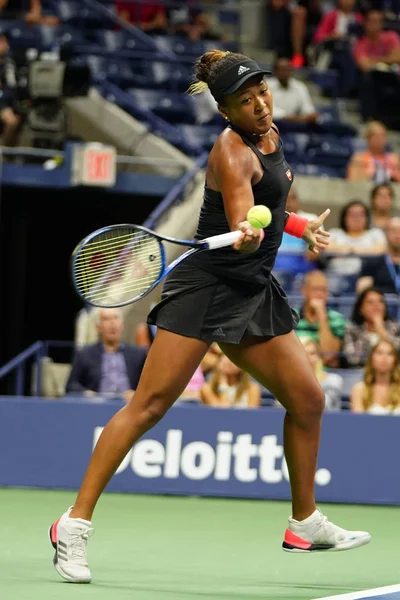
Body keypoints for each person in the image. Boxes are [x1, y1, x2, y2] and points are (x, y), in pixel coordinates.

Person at [49, 49, 370, 584]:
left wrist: (296, 224)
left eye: (262, 93)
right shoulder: (230, 151)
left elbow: (269, 204)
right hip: (208, 287)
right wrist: (249, 235)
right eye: (246, 103)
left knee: (308, 399)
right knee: (148, 406)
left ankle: (303, 522)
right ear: (226, 112)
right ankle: (73, 524)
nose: (261, 106)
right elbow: (247, 214)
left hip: (251, 290)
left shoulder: (270, 136)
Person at [66, 307, 147, 402]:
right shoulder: (84, 354)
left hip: (129, 407)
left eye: (115, 318)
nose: (112, 323)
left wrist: (137, 394)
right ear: (98, 327)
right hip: (97, 407)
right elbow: (71, 386)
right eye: (106, 319)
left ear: (121, 325)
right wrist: (87, 393)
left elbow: (149, 385)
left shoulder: (138, 354)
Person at [295, 270, 348, 366]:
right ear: (304, 291)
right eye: (315, 289)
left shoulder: (338, 319)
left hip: (326, 373)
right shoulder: (291, 317)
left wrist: (322, 315)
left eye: (323, 290)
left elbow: (329, 354)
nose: (320, 294)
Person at [343, 287, 400, 368]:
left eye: (380, 301)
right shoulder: (352, 329)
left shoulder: (395, 328)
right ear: (360, 309)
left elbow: (398, 353)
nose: (376, 305)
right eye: (370, 302)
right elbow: (352, 358)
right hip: (360, 372)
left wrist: (381, 330)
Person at [326, 200, 387, 275]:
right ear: (344, 218)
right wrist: (361, 250)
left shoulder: (375, 233)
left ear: (367, 218)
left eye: (360, 215)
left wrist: (348, 250)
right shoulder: (335, 233)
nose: (356, 218)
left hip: (368, 275)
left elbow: (381, 250)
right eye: (352, 215)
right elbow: (327, 248)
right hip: (336, 274)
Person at [351, 340, 400, 414]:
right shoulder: (359, 390)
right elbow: (358, 422)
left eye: (390, 354)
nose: (384, 357)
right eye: (379, 353)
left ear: (395, 360)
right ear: (371, 358)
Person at [267, 58, 319, 124]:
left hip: (294, 126)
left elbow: (307, 107)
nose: (285, 73)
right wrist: (291, 118)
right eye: (282, 70)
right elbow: (268, 110)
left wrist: (311, 114)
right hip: (272, 124)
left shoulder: (300, 86)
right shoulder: (266, 86)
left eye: (288, 69)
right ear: (275, 71)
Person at [357, 216, 400, 295]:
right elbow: (362, 292)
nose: (397, 235)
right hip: (381, 305)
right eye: (393, 231)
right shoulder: (373, 262)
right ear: (386, 234)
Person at [301, 338, 344, 410]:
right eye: (304, 354)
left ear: (319, 356)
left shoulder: (334, 380)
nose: (308, 358)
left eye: (312, 353)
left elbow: (322, 406)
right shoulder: (289, 382)